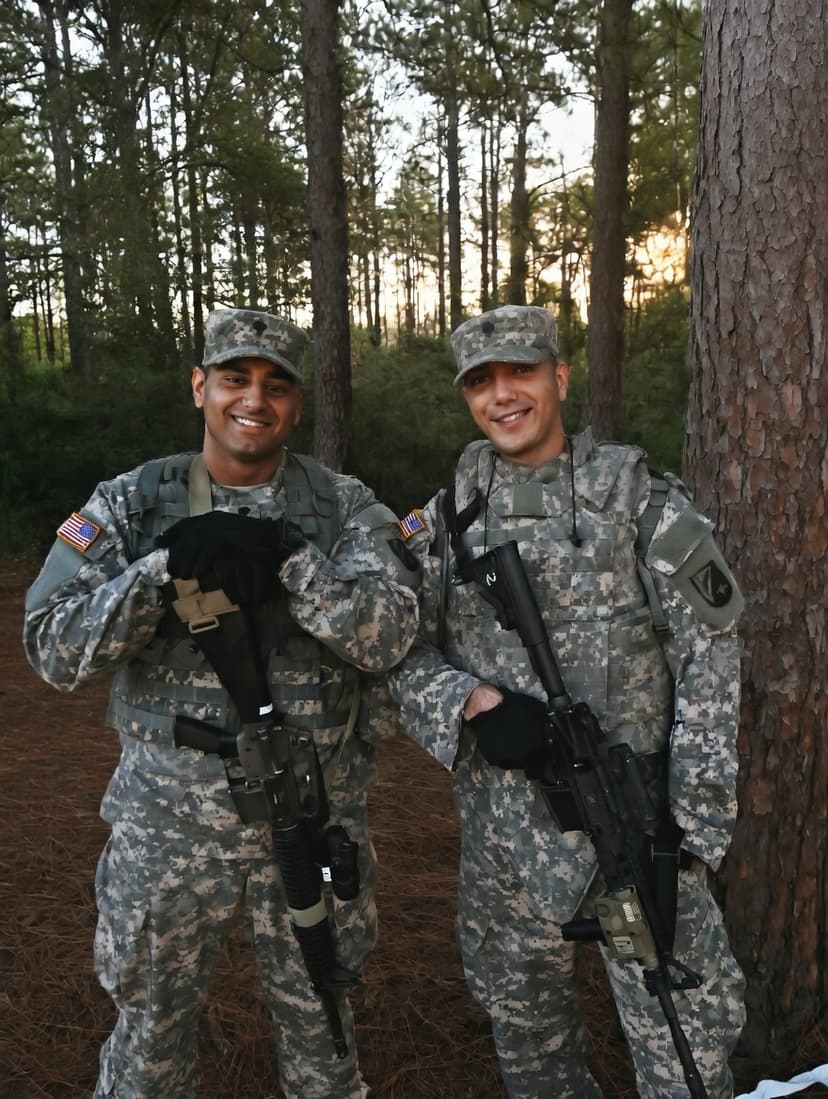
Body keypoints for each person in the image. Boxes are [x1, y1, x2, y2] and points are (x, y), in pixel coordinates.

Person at [23, 307, 420, 1099]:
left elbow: (394, 632)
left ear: (296, 405)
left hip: (310, 816)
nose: (254, 399)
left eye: (276, 385)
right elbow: (52, 646)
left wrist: (297, 565)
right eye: (235, 378)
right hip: (168, 832)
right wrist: (159, 571)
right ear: (201, 386)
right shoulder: (133, 503)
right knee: (148, 1041)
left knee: (325, 1040)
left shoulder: (342, 507)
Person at [387, 304, 746, 1098]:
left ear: (559, 375)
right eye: (481, 381)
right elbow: (389, 648)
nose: (502, 395)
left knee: (684, 1055)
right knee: (531, 1046)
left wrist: (690, 831)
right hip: (504, 844)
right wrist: (470, 700)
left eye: (520, 372)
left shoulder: (638, 501)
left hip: (635, 829)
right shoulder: (446, 519)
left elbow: (712, 661)